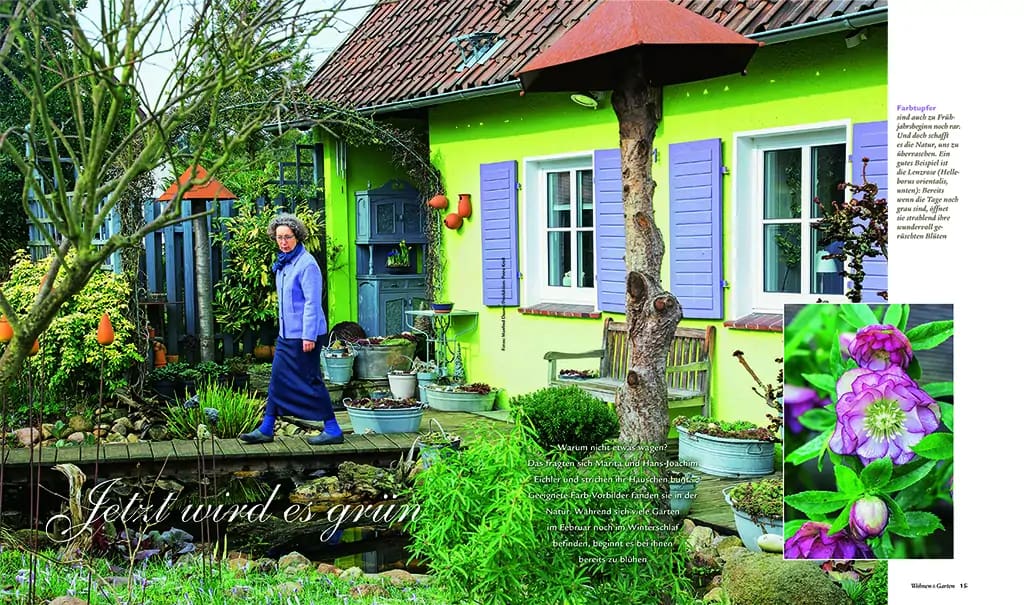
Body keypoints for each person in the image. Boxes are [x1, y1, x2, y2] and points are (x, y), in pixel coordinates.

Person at [240, 213, 345, 446]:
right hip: (287, 335)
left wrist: (308, 336)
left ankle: (333, 429)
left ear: (297, 236)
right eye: (279, 237)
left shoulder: (307, 264)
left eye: (287, 237)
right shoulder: (284, 262)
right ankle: (266, 428)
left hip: (306, 336)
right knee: (277, 379)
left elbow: (312, 303)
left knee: (310, 380)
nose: (283, 242)